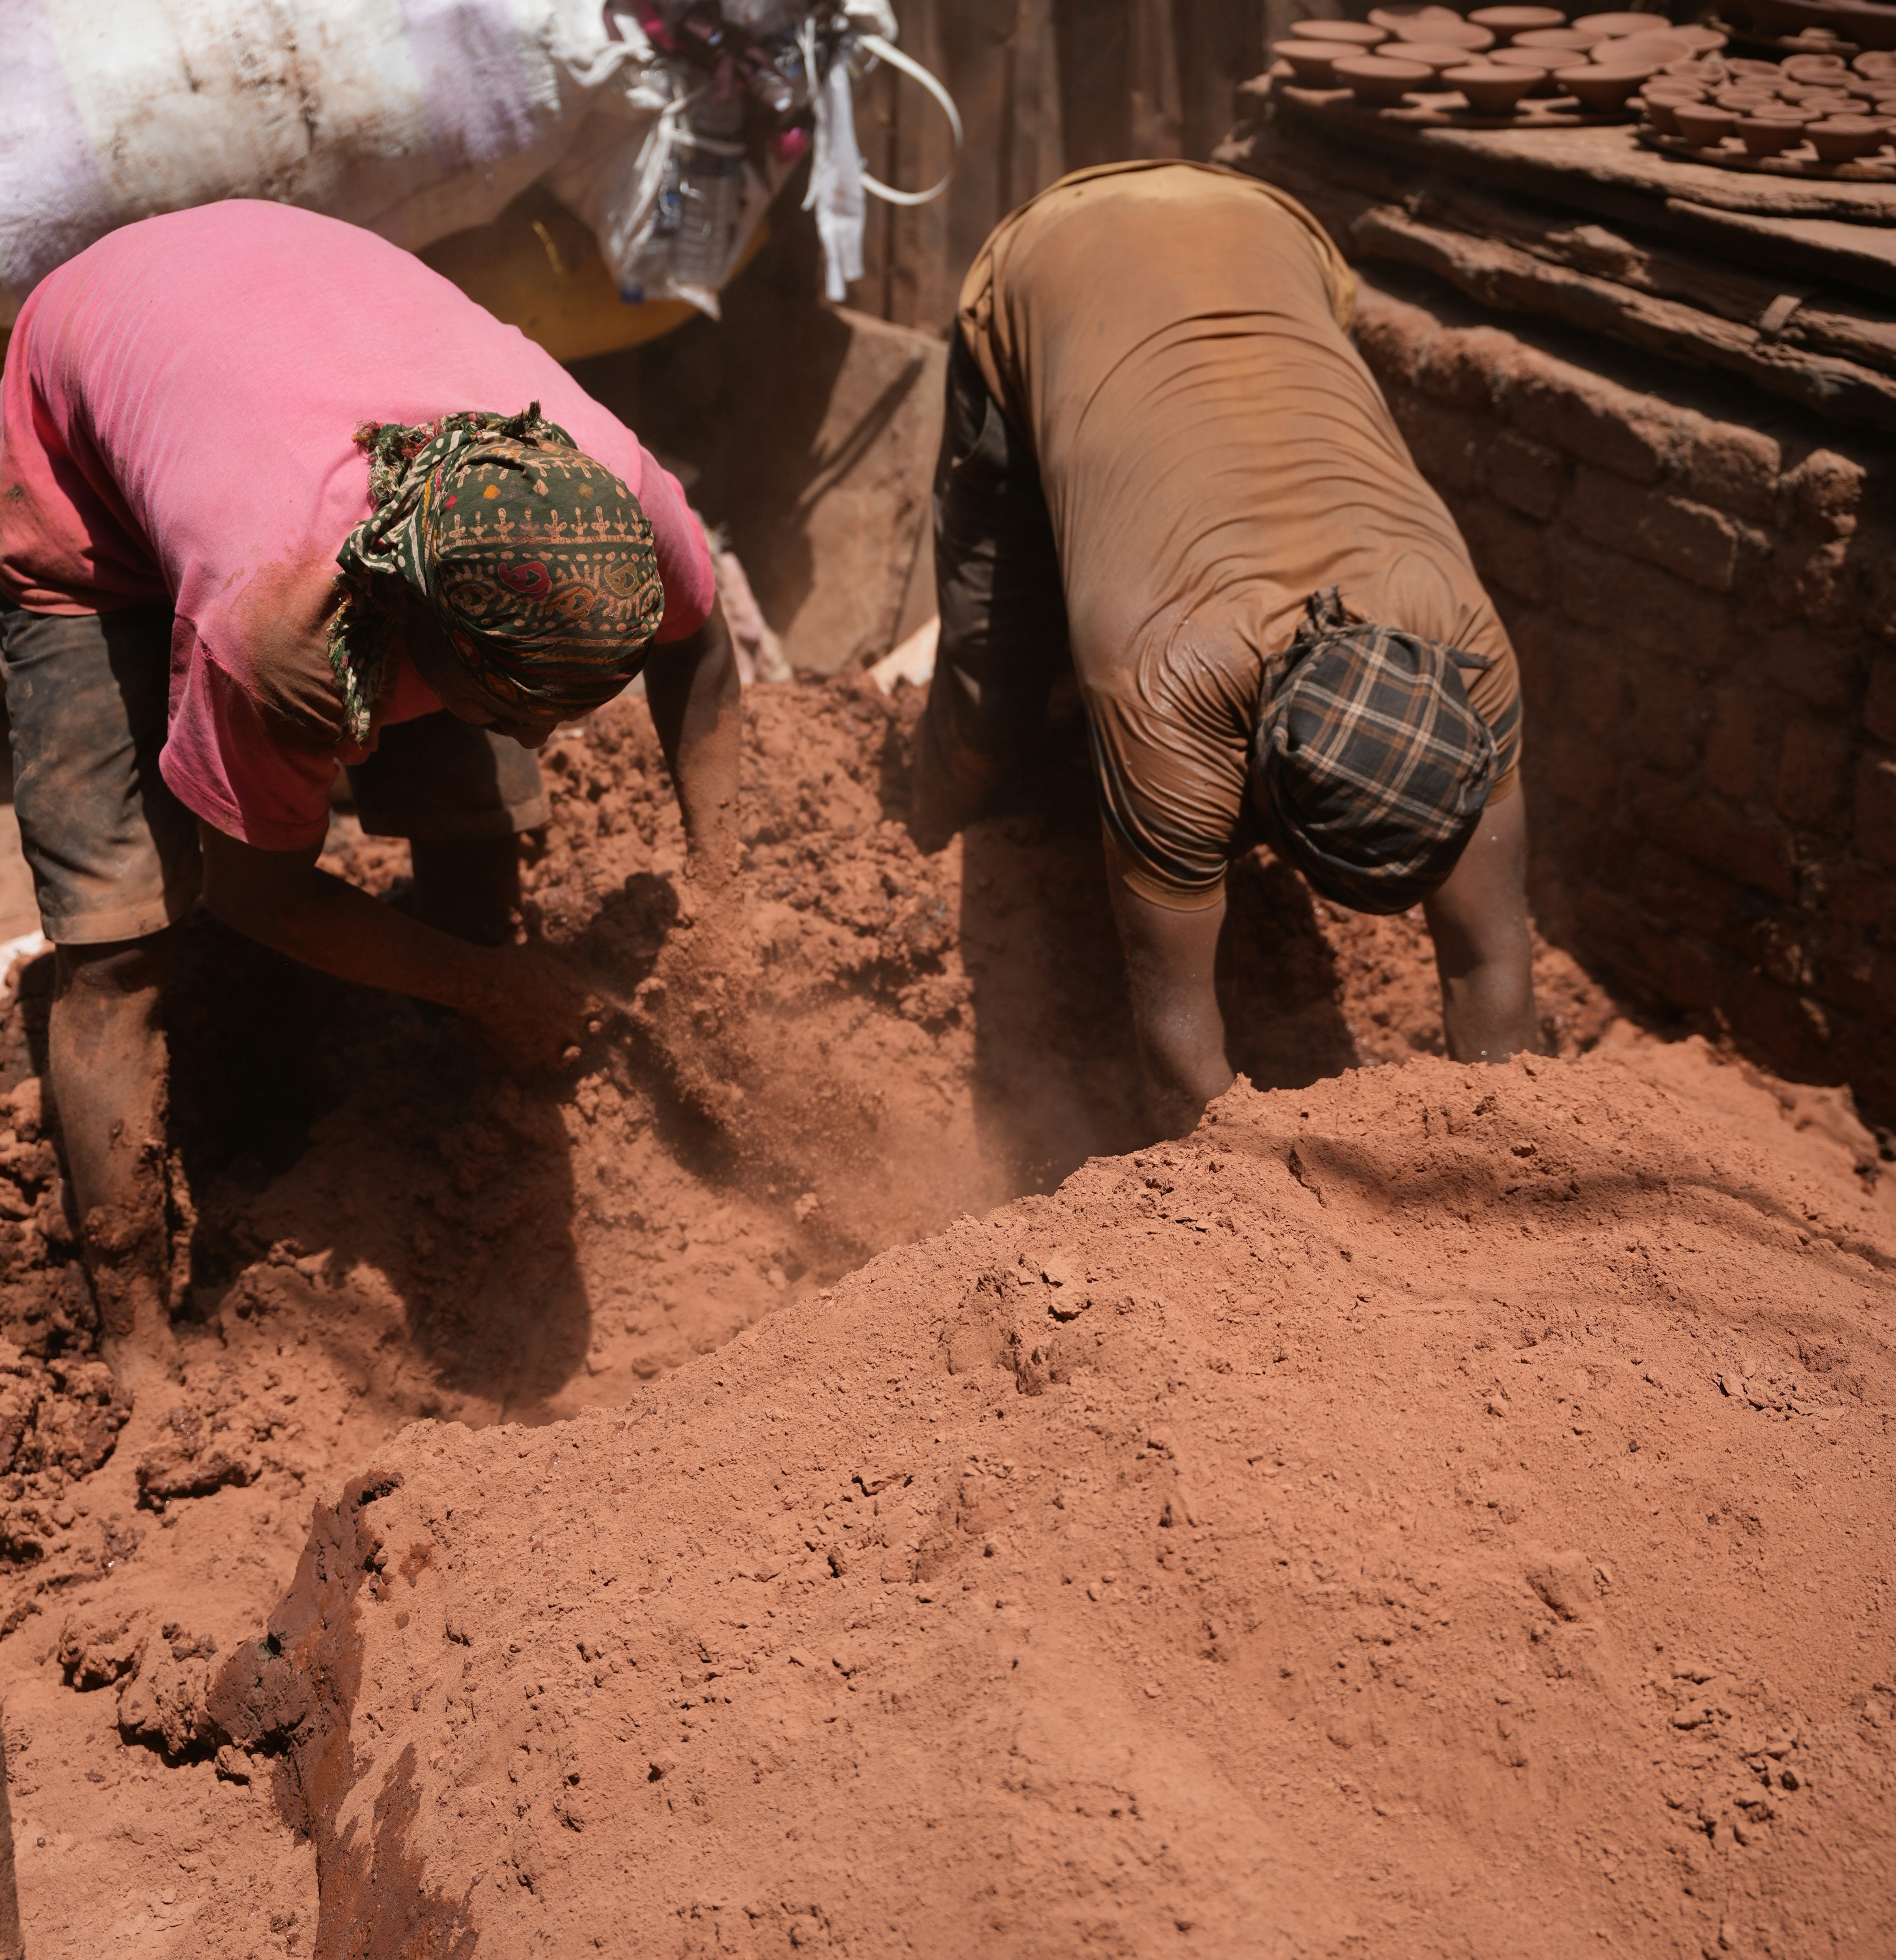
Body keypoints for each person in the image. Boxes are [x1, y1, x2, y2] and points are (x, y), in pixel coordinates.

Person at [0, 201, 740, 1400]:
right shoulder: (278, 629)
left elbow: (703, 652)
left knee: (485, 817)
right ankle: (142, 1355)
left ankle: (466, 1103)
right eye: (520, 702)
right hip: (88, 441)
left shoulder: (610, 505)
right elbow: (259, 898)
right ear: (405, 634)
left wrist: (729, 893)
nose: (553, 736)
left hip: (289, 295)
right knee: (120, 947)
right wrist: (488, 985)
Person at [912, 159, 1538, 1131]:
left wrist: (1506, 1157)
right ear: (1259, 800)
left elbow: (1495, 969)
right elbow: (1176, 1064)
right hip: (1057, 256)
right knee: (993, 689)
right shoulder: (1163, 688)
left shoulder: (1468, 650)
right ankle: (918, 832)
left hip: (1271, 237)